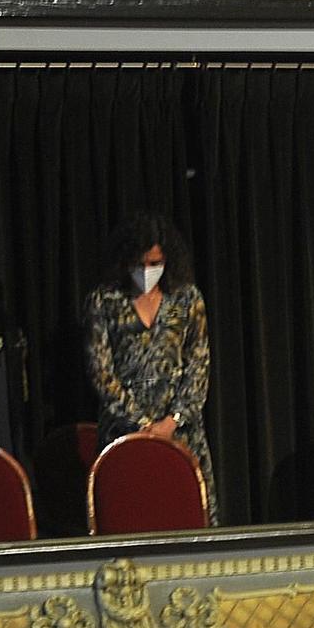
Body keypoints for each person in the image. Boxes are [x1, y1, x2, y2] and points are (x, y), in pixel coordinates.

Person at [85, 212, 217, 522]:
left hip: (181, 433)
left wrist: (172, 421)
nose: (147, 271)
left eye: (155, 264)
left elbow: (199, 365)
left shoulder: (187, 300)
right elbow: (101, 372)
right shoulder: (104, 301)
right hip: (123, 434)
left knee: (184, 518)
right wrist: (143, 426)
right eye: (140, 264)